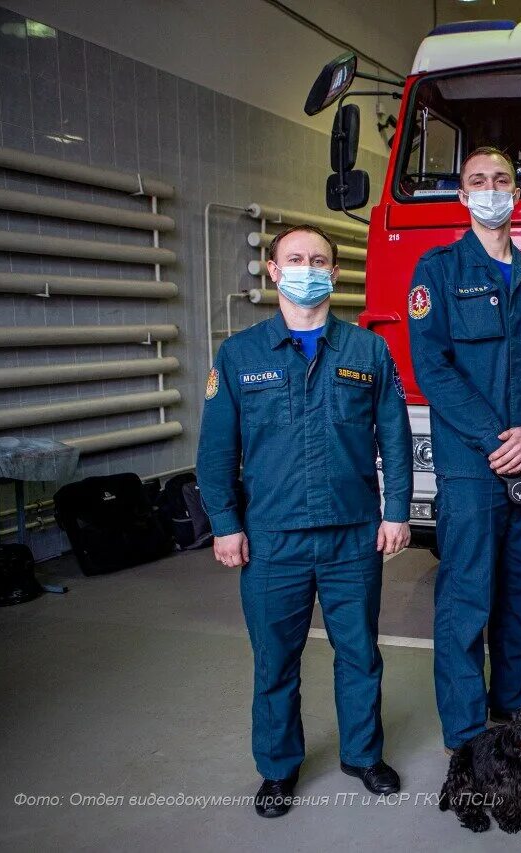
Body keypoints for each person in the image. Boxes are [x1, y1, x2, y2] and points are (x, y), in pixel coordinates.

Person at [197, 224, 412, 818]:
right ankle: (278, 768)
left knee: (360, 653)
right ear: (272, 270)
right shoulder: (239, 355)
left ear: (335, 273)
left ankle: (363, 755)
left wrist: (396, 511)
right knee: (274, 660)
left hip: (352, 536)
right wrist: (224, 523)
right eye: (294, 258)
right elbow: (216, 450)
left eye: (318, 259)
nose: (307, 267)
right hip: (272, 539)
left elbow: (394, 437)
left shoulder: (368, 351)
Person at [408, 147, 521, 752]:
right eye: (477, 181)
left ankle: (513, 707)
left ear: (517, 191)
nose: (490, 189)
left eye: (501, 180)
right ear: (462, 195)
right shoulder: (438, 272)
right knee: (465, 597)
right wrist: (495, 439)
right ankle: (467, 731)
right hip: (473, 469)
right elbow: (432, 366)